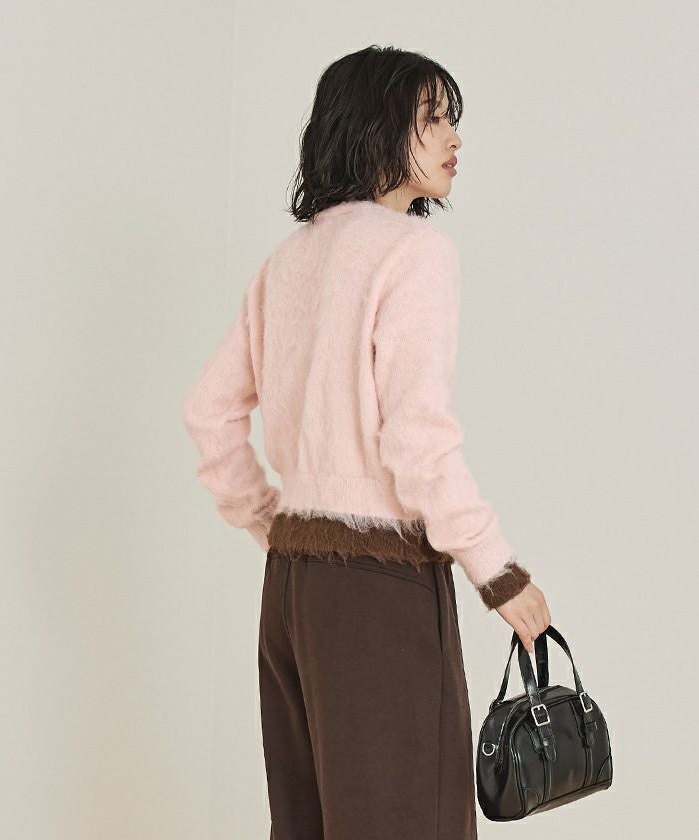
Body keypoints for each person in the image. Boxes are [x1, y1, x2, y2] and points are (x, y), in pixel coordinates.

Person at [183, 44, 550, 840]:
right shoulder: (414, 252)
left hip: (293, 590)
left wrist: (273, 523)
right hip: (380, 594)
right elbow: (416, 438)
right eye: (432, 118)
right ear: (377, 128)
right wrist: (499, 572)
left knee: (310, 825)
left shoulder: (289, 261)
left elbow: (209, 411)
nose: (454, 137)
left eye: (452, 119)